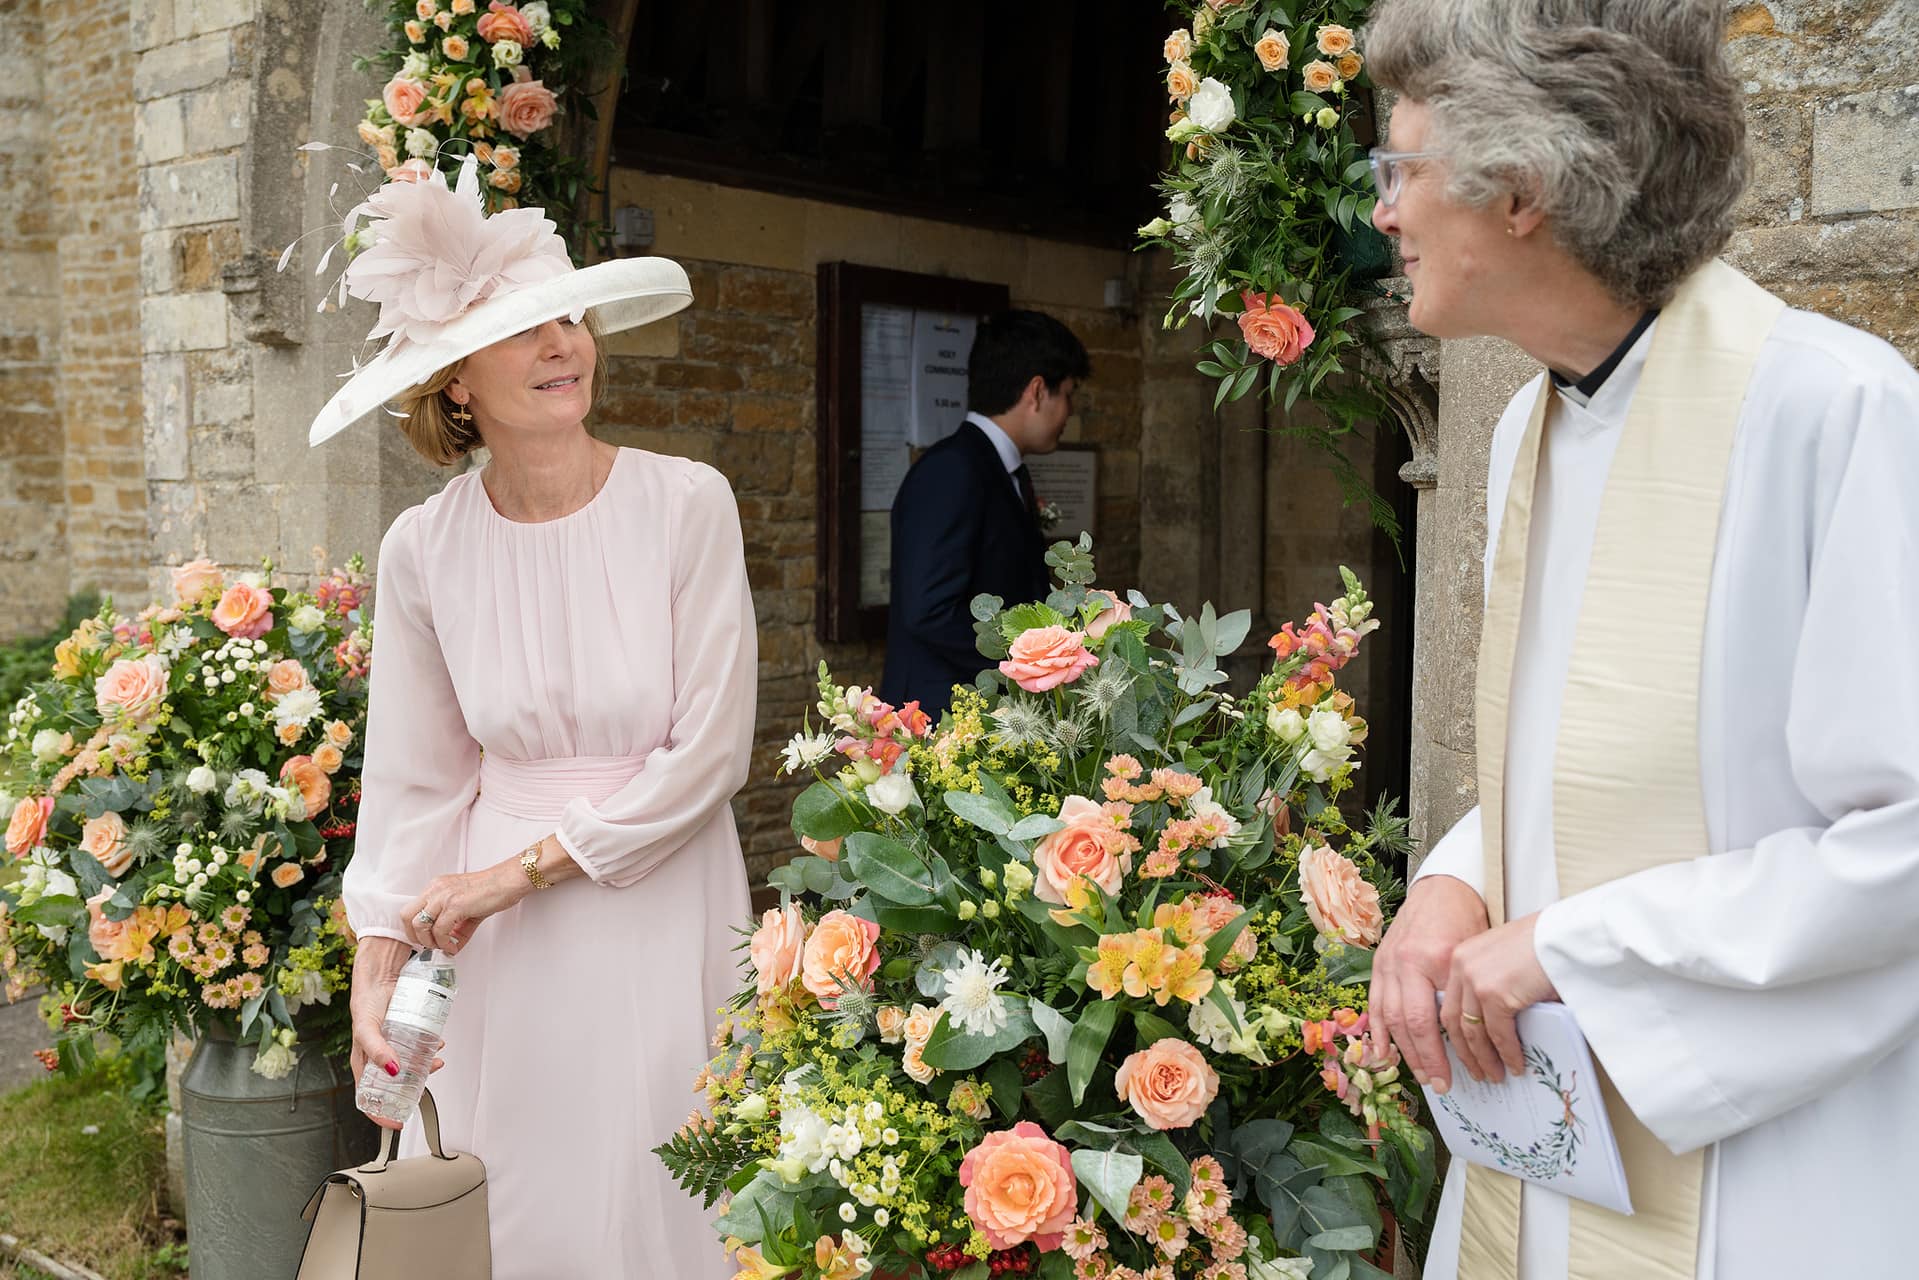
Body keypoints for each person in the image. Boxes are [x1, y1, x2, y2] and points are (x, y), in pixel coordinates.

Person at [1359, 3, 1919, 1279]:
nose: (1381, 213)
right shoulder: (1522, 431)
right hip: (1550, 1143)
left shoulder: (1834, 413)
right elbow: (1575, 749)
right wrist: (1454, 876)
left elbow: (1899, 840)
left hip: (1768, 1168)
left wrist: (1565, 946)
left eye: (1401, 168)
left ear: (1523, 191)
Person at [315, 159, 754, 1279]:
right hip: (487, 941)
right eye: (524, 329)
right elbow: (417, 775)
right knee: (507, 1191)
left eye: (569, 317)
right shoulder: (423, 547)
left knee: (661, 1175)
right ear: (455, 382)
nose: (564, 343)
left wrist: (513, 876)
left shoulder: (686, 503)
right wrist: (377, 952)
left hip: (657, 895)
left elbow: (709, 751)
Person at [879, 310, 1090, 717]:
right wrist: (1027, 666)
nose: (1070, 411)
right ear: (1037, 391)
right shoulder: (951, 471)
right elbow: (929, 611)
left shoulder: (1000, 468)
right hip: (941, 718)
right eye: (1068, 393)